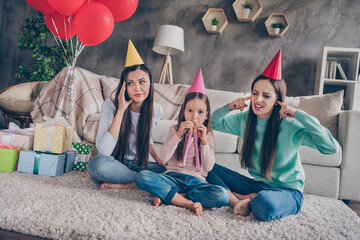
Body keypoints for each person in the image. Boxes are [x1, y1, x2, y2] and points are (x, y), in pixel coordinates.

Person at [206, 50, 339, 221]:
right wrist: (228, 108)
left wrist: (300, 114)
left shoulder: (291, 124)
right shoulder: (245, 119)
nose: (258, 100)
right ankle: (236, 200)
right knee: (204, 166)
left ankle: (249, 199)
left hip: (288, 192)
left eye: (266, 96)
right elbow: (210, 124)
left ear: (278, 99)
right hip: (258, 185)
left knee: (264, 205)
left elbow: (330, 148)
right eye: (255, 93)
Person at [135, 69, 229, 216]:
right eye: (190, 111)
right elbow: (163, 158)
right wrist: (178, 135)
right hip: (172, 177)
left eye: (200, 112)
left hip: (197, 182)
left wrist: (203, 141)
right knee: (143, 176)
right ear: (183, 112)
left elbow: (209, 167)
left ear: (206, 115)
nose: (194, 117)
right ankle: (187, 202)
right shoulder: (174, 129)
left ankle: (174, 196)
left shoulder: (208, 134)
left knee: (222, 196)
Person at [88, 40, 166, 190]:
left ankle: (128, 184)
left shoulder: (156, 110)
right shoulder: (110, 106)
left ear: (150, 83)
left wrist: (157, 158)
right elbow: (104, 151)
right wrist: (121, 110)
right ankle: (144, 181)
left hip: (138, 165)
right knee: (97, 165)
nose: (137, 88)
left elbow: (146, 136)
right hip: (114, 163)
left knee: (167, 170)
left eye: (142, 82)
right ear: (124, 86)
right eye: (130, 83)